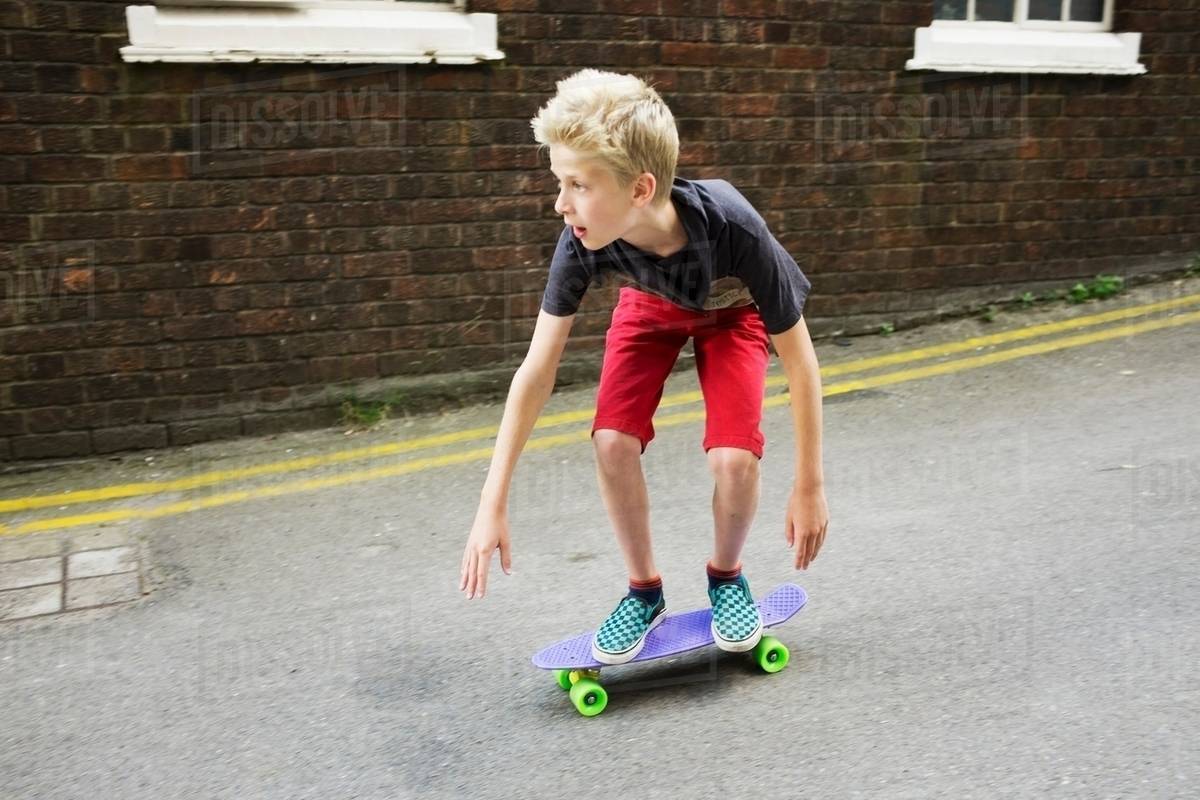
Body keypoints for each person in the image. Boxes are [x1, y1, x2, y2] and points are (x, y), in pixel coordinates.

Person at [459, 68, 829, 665]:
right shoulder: (581, 239)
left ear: (639, 189)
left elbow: (801, 364)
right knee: (612, 441)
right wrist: (491, 501)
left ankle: (727, 576)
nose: (561, 204)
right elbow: (536, 371)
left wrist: (809, 485)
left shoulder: (734, 227)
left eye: (578, 183)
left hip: (733, 315)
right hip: (650, 310)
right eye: (560, 181)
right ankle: (643, 591)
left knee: (734, 459)